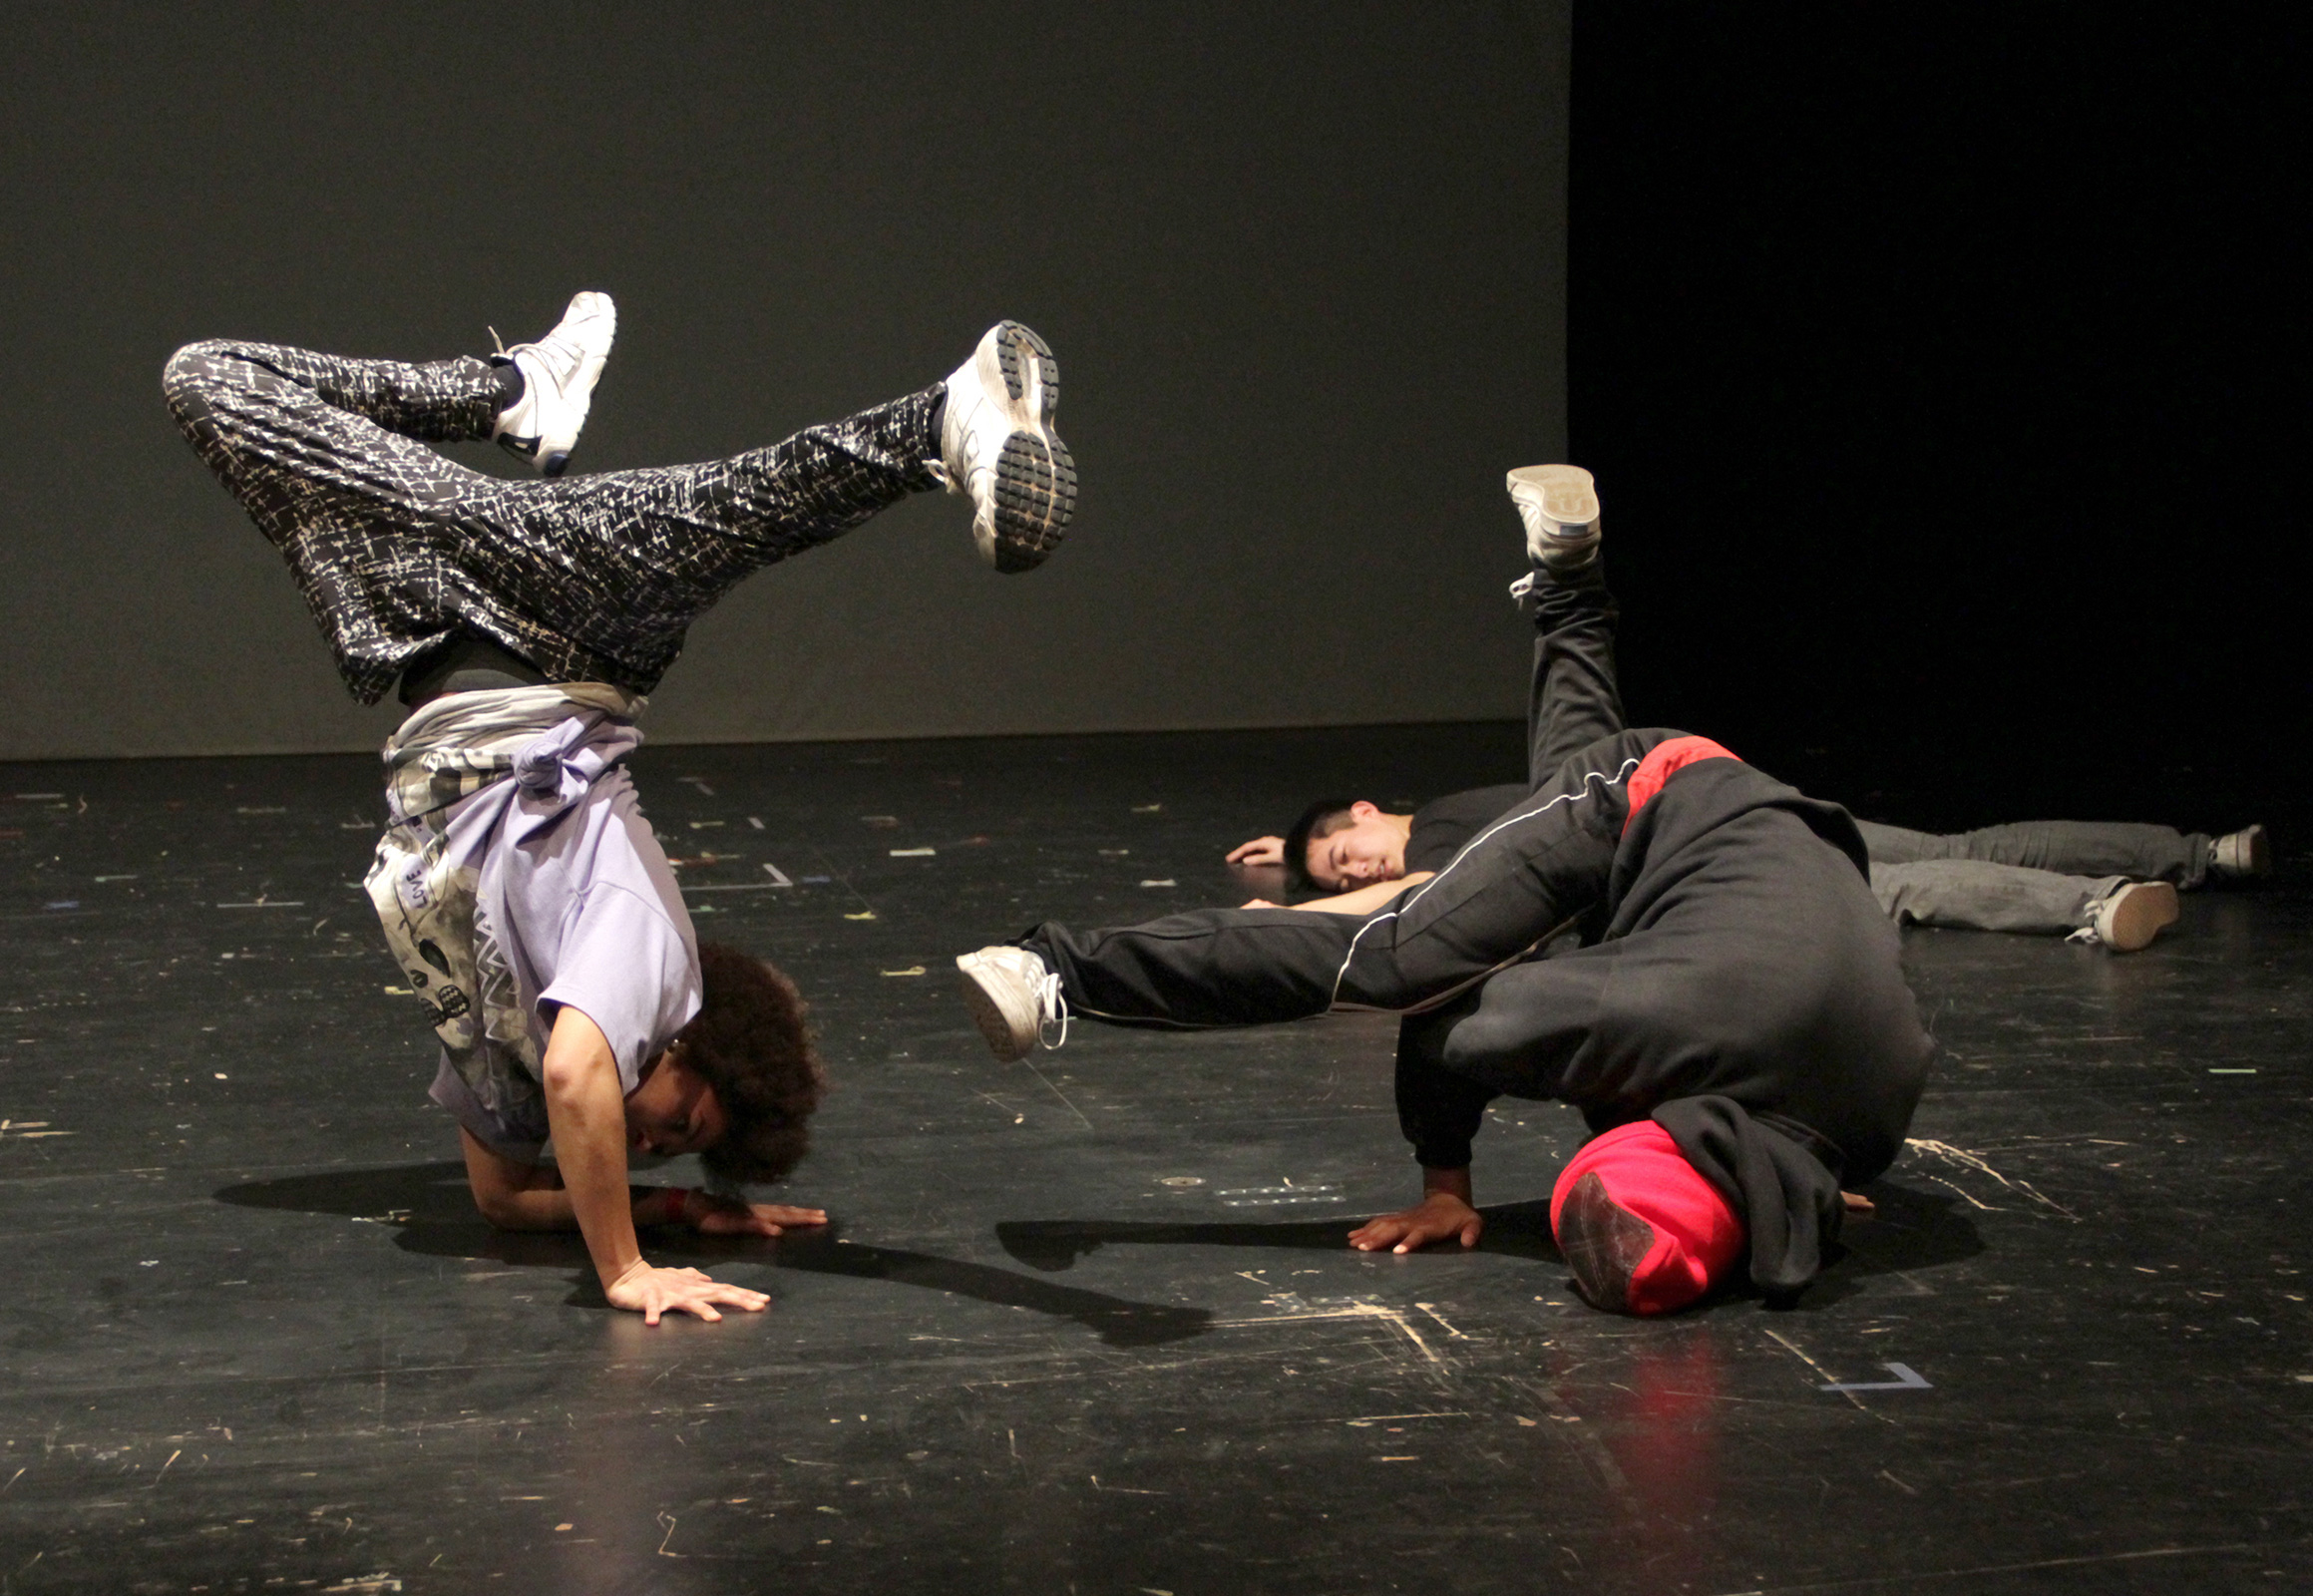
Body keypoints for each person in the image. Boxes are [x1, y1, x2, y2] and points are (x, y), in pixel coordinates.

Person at [165, 292, 1076, 1324]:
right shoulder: (655, 962)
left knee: (207, 384)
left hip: (423, 624)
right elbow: (575, 1078)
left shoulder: (527, 1048)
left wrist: (678, 1205)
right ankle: (941, 419)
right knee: (737, 508)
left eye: (663, 1150)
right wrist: (626, 1265)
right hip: (561, 632)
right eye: (680, 1125)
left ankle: (516, 394)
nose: (646, 1142)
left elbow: (503, 1199)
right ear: (691, 1043)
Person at [957, 464, 1934, 1317]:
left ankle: (1570, 586)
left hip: (1753, 827)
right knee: (1392, 962)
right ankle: (1056, 967)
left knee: (1566, 796)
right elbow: (1447, 1017)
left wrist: (1795, 1178)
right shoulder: (1659, 1019)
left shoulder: (1867, 1127)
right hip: (1664, 802)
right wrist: (1446, 1180)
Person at [1229, 777, 2268, 955]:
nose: (1356, 868)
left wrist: (1294, 911)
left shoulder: (1443, 835)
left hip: (1698, 847)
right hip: (1719, 793)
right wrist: (1297, 864)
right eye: (1343, 870)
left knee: (1895, 885)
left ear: (1367, 808)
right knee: (1943, 851)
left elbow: (1405, 891)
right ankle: (2195, 858)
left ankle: (2103, 901)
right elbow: (1380, 880)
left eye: (1347, 849)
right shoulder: (1465, 811)